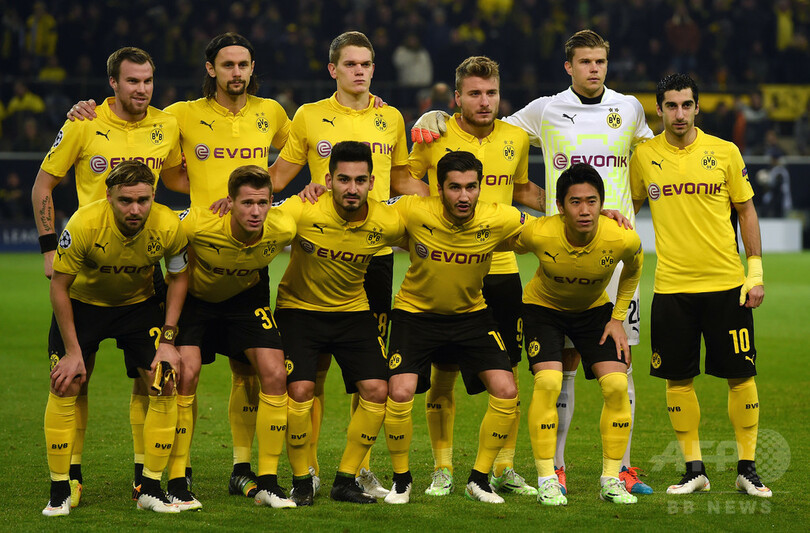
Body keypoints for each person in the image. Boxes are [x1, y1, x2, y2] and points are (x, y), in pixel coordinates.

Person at [411, 29, 654, 495]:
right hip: (543, 254)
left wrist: (617, 209)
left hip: (611, 255)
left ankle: (622, 468)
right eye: (585, 61)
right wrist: (433, 113)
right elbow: (474, 127)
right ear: (568, 66)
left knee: (619, 362)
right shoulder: (543, 110)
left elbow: (652, 156)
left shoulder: (630, 109)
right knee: (556, 366)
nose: (594, 69)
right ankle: (553, 467)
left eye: (600, 61)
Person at [67, 33, 292, 501]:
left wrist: (260, 194)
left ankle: (243, 469)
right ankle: (177, 473)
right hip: (196, 251)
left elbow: (303, 148)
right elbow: (168, 171)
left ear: (253, 68)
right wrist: (85, 110)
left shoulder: (272, 112)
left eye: (243, 64)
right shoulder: (179, 116)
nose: (236, 72)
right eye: (227, 64)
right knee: (182, 372)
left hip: (246, 255)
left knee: (250, 371)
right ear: (211, 69)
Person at [269, 30, 425, 497]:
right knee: (309, 375)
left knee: (367, 376)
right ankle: (311, 469)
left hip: (374, 255)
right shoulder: (308, 115)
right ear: (332, 69)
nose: (359, 71)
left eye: (366, 64)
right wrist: (237, 200)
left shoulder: (391, 117)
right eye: (350, 64)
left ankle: (359, 470)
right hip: (319, 247)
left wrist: (442, 204)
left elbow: (403, 179)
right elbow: (279, 175)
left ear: (374, 69)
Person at [32, 46, 183, 509]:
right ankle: (70, 480)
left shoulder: (168, 124)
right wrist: (48, 248)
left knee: (153, 380)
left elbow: (183, 178)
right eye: (132, 81)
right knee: (73, 378)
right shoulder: (84, 121)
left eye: (148, 81)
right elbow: (43, 185)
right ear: (113, 83)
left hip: (141, 279)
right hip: (87, 269)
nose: (142, 89)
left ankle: (145, 480)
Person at [629, 73, 771, 498]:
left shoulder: (724, 151)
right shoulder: (643, 156)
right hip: (672, 288)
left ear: (697, 107)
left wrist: (755, 271)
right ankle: (695, 470)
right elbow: (627, 209)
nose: (679, 114)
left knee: (740, 375)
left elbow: (746, 211)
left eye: (686, 105)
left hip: (727, 285)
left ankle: (747, 469)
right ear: (658, 109)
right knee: (677, 379)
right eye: (671, 106)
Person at [407, 55, 542, 497]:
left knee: (508, 374)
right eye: (475, 93)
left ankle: (503, 466)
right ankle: (443, 468)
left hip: (501, 273)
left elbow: (521, 189)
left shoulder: (515, 137)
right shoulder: (435, 134)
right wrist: (432, 221)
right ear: (457, 97)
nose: (485, 102)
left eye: (491, 93)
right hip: (447, 268)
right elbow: (404, 180)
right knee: (443, 372)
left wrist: (573, 207)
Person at [42, 160, 188, 516]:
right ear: (109, 196)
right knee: (66, 382)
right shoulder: (84, 224)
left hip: (138, 308)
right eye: (126, 200)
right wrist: (73, 352)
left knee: (164, 380)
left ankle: (150, 488)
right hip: (83, 305)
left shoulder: (169, 224)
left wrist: (168, 340)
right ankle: (60, 489)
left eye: (143, 200)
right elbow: (59, 286)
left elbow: (179, 278)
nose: (135, 209)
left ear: (153, 196)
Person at [383, 151, 527, 504]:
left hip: (471, 315)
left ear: (480, 187)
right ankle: (401, 481)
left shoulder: (499, 216)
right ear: (439, 188)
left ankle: (479, 479)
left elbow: (547, 229)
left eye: (471, 187)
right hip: (415, 314)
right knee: (399, 392)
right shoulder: (413, 209)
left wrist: (600, 217)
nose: (464, 196)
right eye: (455, 188)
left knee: (507, 390)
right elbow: (368, 213)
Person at [273, 141, 406, 506]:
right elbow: (259, 217)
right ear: (328, 180)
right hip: (299, 310)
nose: (352, 188)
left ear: (372, 183)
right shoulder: (303, 208)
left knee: (377, 390)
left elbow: (428, 228)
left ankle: (345, 480)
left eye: (360, 180)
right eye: (344, 179)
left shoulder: (386, 220)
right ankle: (302, 480)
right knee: (300, 390)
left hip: (352, 312)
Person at [516, 163, 642, 506]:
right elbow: (501, 238)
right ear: (560, 206)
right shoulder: (540, 232)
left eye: (591, 201)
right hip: (543, 309)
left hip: (592, 311)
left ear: (602, 204)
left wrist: (617, 318)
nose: (584, 210)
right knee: (548, 382)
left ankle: (611, 479)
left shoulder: (622, 237)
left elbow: (634, 268)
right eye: (575, 202)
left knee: (617, 385)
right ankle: (547, 478)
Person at [174, 165, 296, 509]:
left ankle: (265, 481)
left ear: (272, 202)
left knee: (275, 373)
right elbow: (158, 225)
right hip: (196, 300)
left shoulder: (284, 227)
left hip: (245, 299)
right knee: (186, 374)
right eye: (246, 203)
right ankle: (179, 475)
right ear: (229, 202)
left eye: (262, 203)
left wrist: (314, 189)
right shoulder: (197, 223)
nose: (255, 211)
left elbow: (314, 208)